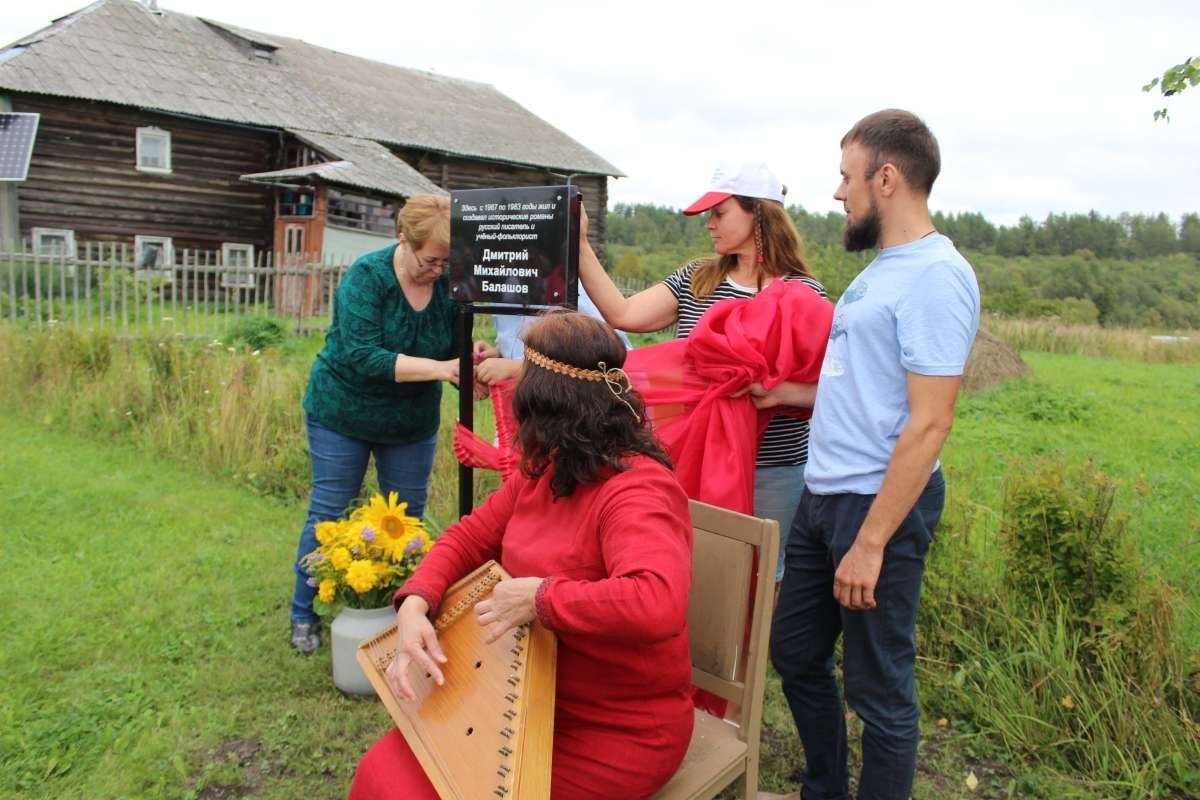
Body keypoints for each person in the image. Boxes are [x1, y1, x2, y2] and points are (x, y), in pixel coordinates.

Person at [348, 312, 694, 800]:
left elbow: (657, 601)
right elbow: (469, 537)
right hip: (523, 694)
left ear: (553, 408)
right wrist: (415, 602)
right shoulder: (548, 467)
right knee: (382, 771)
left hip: (616, 727)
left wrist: (542, 599)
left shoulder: (638, 488)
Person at [766, 110, 980, 800]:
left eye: (845, 176)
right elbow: (863, 387)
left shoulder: (936, 277)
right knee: (794, 651)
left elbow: (930, 423)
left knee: (879, 688)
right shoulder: (885, 271)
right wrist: (781, 393)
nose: (838, 193)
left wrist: (873, 541)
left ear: (886, 178)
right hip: (823, 495)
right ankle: (826, 788)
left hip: (873, 504)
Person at [577, 161, 826, 580]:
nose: (709, 224)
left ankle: (752, 650)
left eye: (720, 213)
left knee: (762, 578)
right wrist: (580, 244)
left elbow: (828, 389)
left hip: (773, 466)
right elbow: (622, 313)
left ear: (759, 214)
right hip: (692, 458)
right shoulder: (699, 278)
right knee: (695, 569)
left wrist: (777, 393)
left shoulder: (804, 294)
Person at [289, 194, 477, 654]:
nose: (439, 270)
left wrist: (473, 364)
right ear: (403, 240)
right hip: (343, 412)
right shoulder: (366, 278)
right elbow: (362, 355)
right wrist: (442, 369)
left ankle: (400, 618)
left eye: (447, 261)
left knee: (407, 522)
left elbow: (457, 352)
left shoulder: (453, 285)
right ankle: (303, 613)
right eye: (431, 260)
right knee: (330, 511)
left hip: (410, 422)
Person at [474, 281, 631, 386]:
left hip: (565, 415)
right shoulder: (501, 283)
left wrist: (517, 369)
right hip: (522, 409)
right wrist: (500, 352)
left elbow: (608, 356)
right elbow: (518, 336)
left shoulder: (567, 285)